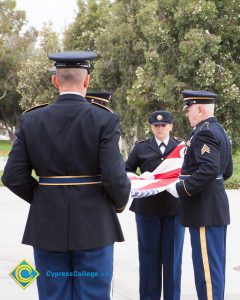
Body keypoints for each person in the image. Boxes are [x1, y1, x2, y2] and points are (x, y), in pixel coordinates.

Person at [2, 51, 131, 300]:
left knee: (53, 294)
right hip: (95, 224)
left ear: (55, 81)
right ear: (86, 82)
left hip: (47, 224)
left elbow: (13, 176)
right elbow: (114, 177)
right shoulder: (104, 118)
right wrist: (118, 203)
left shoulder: (31, 119)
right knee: (93, 294)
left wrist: (44, 197)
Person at [167, 90, 233, 300]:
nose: (187, 114)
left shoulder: (204, 132)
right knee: (211, 268)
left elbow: (210, 169)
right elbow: (227, 171)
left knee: (207, 273)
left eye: (189, 110)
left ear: (200, 109)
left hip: (204, 210)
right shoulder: (218, 130)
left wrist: (182, 188)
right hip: (211, 208)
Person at [125, 110, 185, 300]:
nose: (160, 129)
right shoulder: (141, 147)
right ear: (151, 127)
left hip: (174, 209)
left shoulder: (181, 148)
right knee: (149, 259)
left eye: (163, 125)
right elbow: (126, 169)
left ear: (171, 126)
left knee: (173, 260)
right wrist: (140, 178)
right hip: (147, 210)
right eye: (156, 125)